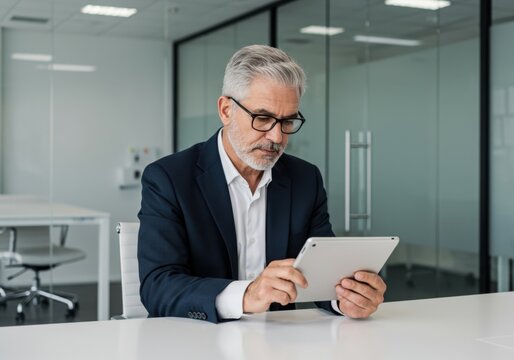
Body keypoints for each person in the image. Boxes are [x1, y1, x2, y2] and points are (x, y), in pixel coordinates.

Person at [138, 45, 386, 323]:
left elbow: (319, 274)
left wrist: (346, 297)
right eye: (263, 118)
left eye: (288, 121)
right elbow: (157, 286)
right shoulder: (169, 178)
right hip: (197, 340)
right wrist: (246, 295)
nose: (277, 137)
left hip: (280, 342)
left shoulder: (305, 179)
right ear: (226, 110)